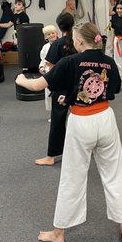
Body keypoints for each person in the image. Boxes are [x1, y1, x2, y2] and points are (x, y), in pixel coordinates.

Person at [16, 22, 122, 242]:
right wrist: (70, 96)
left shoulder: (69, 61)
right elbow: (111, 89)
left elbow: (37, 86)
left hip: (82, 122)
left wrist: (20, 79)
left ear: (79, 41)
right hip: (106, 119)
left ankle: (59, 233)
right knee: (113, 175)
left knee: (73, 177)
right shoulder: (108, 62)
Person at [34, 13, 77, 166]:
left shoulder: (57, 44)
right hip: (78, 86)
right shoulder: (78, 41)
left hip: (62, 88)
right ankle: (83, 150)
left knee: (58, 121)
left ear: (59, 27)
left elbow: (51, 67)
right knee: (79, 118)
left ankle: (51, 156)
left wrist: (44, 73)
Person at [39, 25, 59, 121]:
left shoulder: (62, 44)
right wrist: (42, 67)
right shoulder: (45, 48)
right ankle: (53, 114)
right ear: (46, 37)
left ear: (56, 33)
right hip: (49, 73)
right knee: (49, 94)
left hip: (61, 72)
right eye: (48, 34)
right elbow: (43, 59)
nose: (51, 35)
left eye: (53, 33)